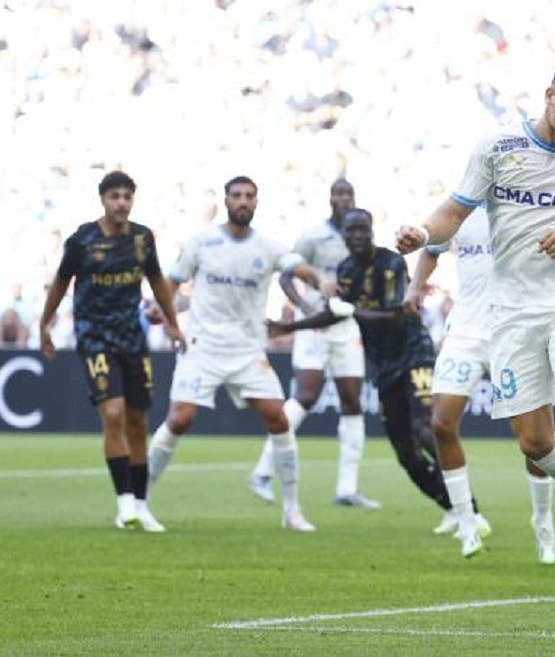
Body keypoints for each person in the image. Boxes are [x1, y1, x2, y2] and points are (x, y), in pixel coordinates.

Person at [395, 57, 555, 604]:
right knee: (535, 444)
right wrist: (421, 232)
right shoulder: (498, 146)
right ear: (550, 95)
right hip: (509, 314)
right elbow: (453, 213)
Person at [270, 209, 470, 534]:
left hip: (414, 353)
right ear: (344, 236)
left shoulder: (391, 263)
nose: (358, 236)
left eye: (363, 229)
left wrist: (351, 310)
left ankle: (469, 509)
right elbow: (336, 314)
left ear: (372, 231)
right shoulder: (347, 270)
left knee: (424, 428)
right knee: (405, 453)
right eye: (352, 231)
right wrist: (289, 327)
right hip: (384, 366)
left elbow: (395, 316)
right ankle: (451, 508)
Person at [147, 176, 329, 531]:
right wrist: (166, 316)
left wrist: (320, 281)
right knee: (180, 419)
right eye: (237, 196)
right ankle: (140, 501)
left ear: (256, 202)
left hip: (247, 350)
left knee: (278, 419)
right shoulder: (201, 242)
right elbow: (172, 282)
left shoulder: (268, 246)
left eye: (249, 196)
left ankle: (292, 511)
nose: (243, 201)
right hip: (203, 346)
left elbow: (298, 267)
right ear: (226, 201)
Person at [405, 207, 555, 563]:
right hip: (466, 330)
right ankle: (466, 521)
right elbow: (432, 248)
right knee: (441, 423)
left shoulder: (527, 205)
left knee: (533, 440)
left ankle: (543, 520)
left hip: (516, 333)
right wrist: (414, 287)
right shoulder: (460, 210)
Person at [39, 170, 184, 531]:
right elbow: (60, 283)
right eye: (114, 196)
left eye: (126, 196)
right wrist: (45, 324)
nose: (121, 203)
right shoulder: (82, 241)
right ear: (102, 200)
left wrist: (172, 322)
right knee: (114, 412)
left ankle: (142, 505)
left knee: (138, 421)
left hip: (132, 339)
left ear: (133, 199)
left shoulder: (143, 239)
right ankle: (125, 505)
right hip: (95, 338)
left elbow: (157, 280)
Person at [249, 179, 377, 509]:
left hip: (347, 327)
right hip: (314, 326)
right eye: (339, 194)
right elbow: (285, 276)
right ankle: (262, 470)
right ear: (330, 198)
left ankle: (347, 489)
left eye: (349, 194)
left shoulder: (361, 237)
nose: (344, 199)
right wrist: (304, 308)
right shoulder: (312, 237)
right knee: (305, 396)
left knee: (352, 402)